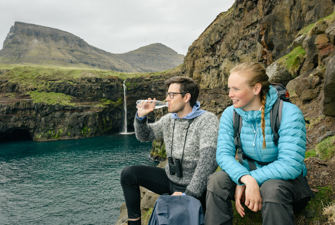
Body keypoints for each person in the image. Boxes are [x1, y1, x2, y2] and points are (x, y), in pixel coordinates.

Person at [205, 62, 313, 225]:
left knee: (271, 189)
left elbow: (290, 164)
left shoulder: (288, 113)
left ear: (256, 89)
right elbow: (223, 155)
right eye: (229, 89)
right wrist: (244, 178)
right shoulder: (231, 114)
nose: (230, 95)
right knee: (216, 181)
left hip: (284, 185)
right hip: (249, 179)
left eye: (236, 89)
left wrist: (251, 179)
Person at [120, 76, 219, 225]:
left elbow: (208, 160)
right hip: (170, 179)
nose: (167, 99)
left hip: (195, 186)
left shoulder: (207, 120)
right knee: (128, 174)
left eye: (171, 95)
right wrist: (141, 118)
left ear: (186, 97)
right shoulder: (168, 119)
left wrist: (188, 194)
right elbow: (144, 136)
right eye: (167, 94)